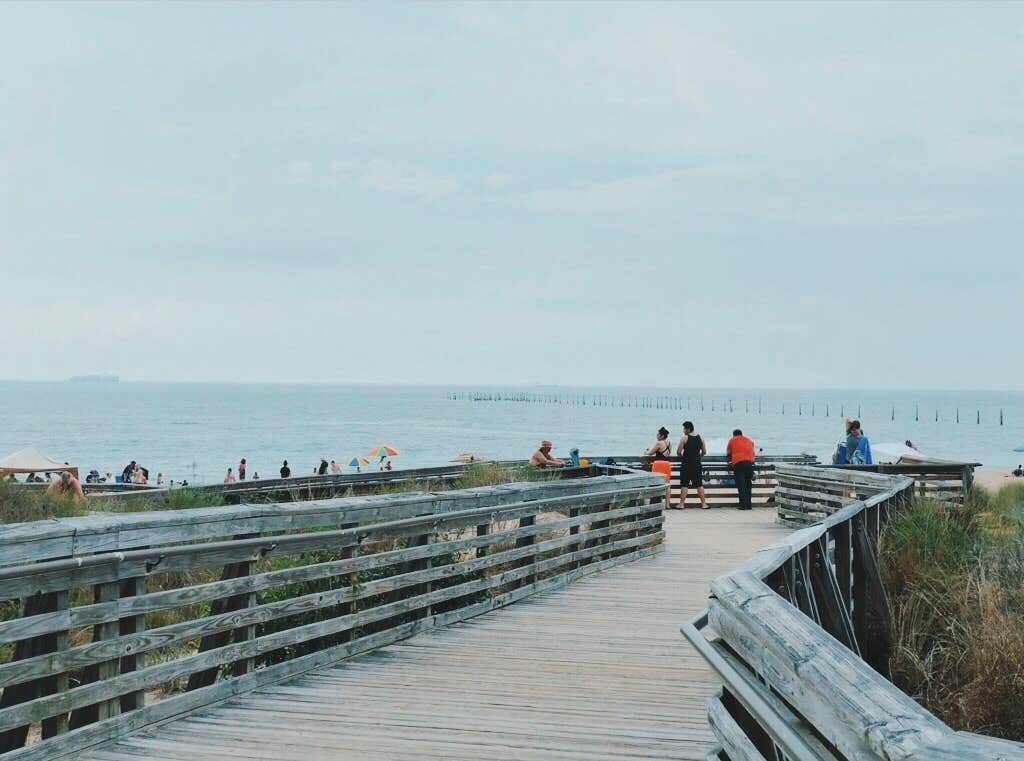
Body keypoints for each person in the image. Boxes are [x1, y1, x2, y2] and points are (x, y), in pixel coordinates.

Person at [676, 421, 707, 509]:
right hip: (697, 464)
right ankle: (704, 504)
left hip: (686, 464)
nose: (683, 431)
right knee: (699, 484)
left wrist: (684, 457)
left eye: (684, 429)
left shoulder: (684, 438)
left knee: (684, 484)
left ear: (688, 429)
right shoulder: (701, 437)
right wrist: (697, 457)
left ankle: (681, 504)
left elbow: (678, 452)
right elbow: (704, 452)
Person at [727, 429, 757, 511]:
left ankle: (743, 505)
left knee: (741, 485)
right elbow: (753, 453)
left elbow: (728, 452)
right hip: (749, 463)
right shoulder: (749, 440)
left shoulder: (732, 440)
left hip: (738, 464)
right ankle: (749, 505)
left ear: (734, 435)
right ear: (741, 434)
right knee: (748, 484)